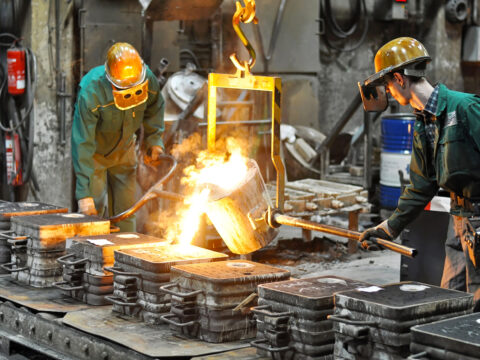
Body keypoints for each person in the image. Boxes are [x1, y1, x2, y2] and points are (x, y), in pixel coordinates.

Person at [359, 37, 480, 310]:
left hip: (478, 218)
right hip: (460, 222)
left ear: (400, 79)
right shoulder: (424, 124)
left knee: (477, 305)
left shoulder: (465, 109)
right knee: (452, 299)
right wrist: (389, 227)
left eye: (387, 84)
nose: (387, 92)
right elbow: (421, 185)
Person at [72, 42, 165, 231]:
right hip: (95, 156)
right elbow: (82, 142)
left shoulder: (147, 79)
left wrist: (154, 140)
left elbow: (155, 107)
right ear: (111, 78)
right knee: (92, 217)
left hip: (124, 151)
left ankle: (124, 257)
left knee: (126, 214)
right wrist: (84, 194)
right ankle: (92, 256)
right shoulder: (91, 90)